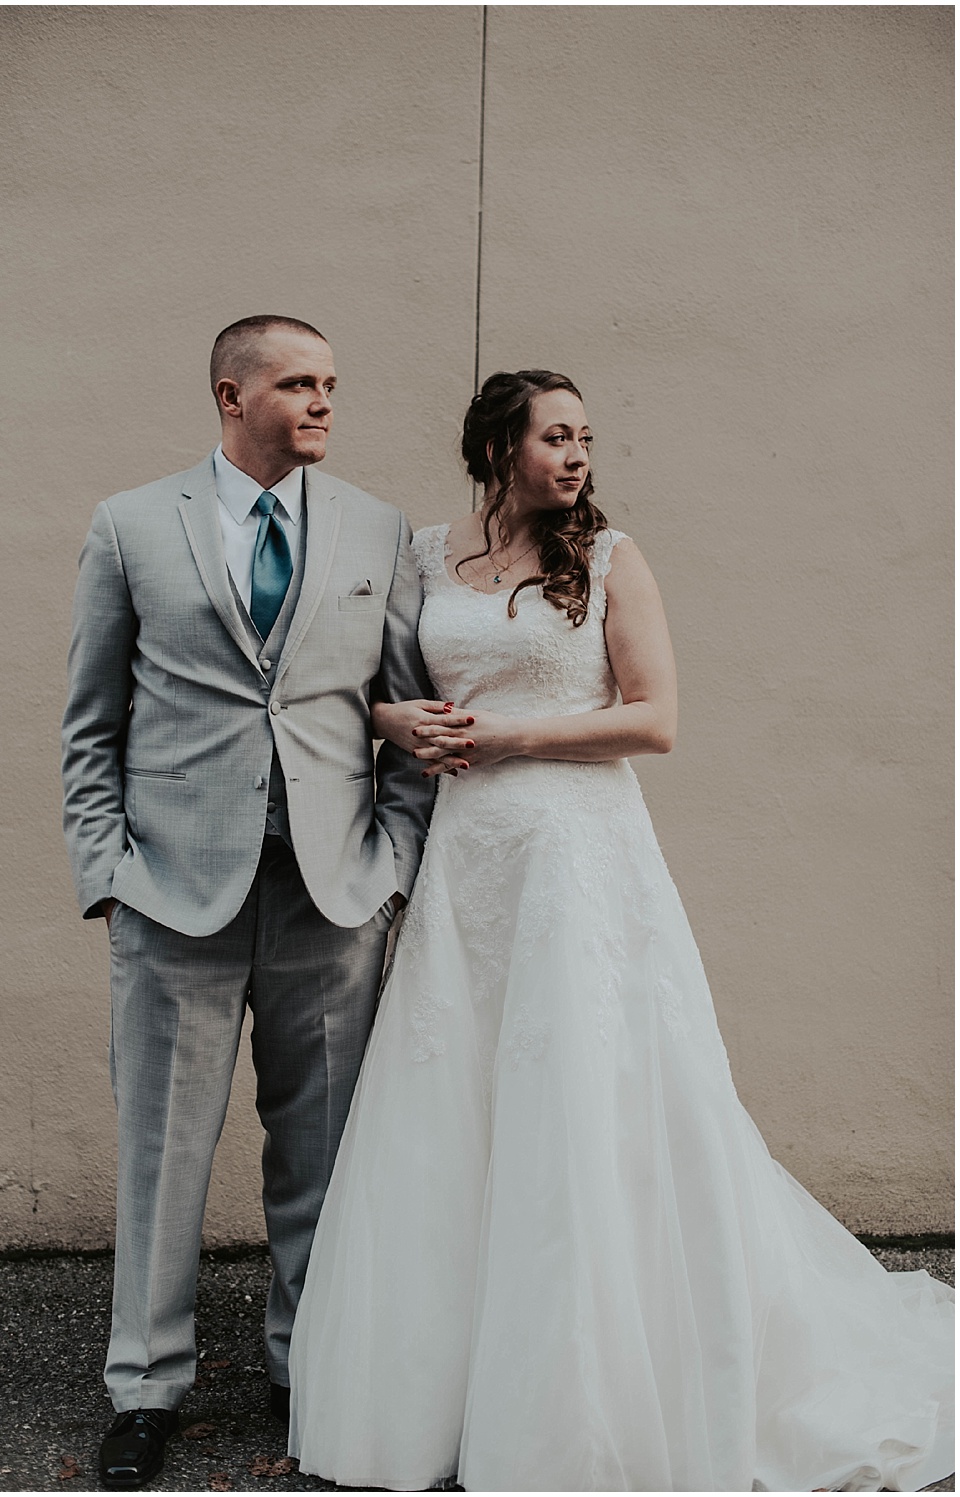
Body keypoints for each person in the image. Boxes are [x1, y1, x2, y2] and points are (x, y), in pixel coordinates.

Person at [287, 369, 955, 1491]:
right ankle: (444, 1390)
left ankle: (590, 1402)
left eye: (585, 437)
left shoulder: (606, 559)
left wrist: (509, 740)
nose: (576, 455)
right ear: (497, 444)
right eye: (554, 436)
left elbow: (654, 720)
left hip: (579, 857)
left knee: (588, 1094)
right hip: (468, 867)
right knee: (456, 1096)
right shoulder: (415, 553)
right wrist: (400, 723)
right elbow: (366, 688)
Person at [59, 315, 438, 1488]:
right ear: (232, 394)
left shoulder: (378, 529)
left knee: (318, 1151)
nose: (322, 401)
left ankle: (305, 1366)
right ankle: (144, 1385)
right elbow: (89, 724)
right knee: (161, 1153)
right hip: (173, 895)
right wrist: (107, 877)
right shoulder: (130, 525)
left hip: (332, 895)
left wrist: (393, 866)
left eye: (330, 384)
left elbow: (406, 716)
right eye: (296, 383)